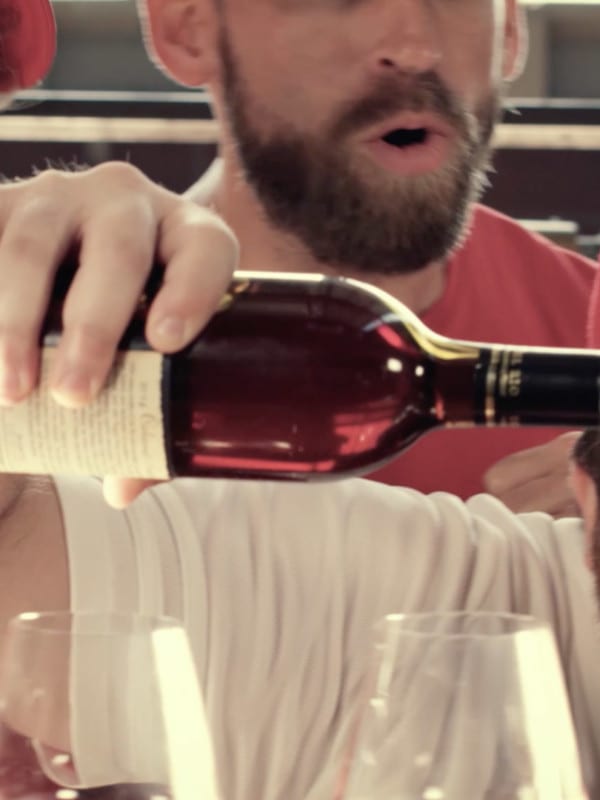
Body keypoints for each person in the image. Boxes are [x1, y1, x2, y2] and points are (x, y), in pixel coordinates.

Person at [137, 0, 596, 516]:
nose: (415, 49)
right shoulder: (72, 348)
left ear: (509, 28)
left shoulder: (588, 326)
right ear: (188, 30)